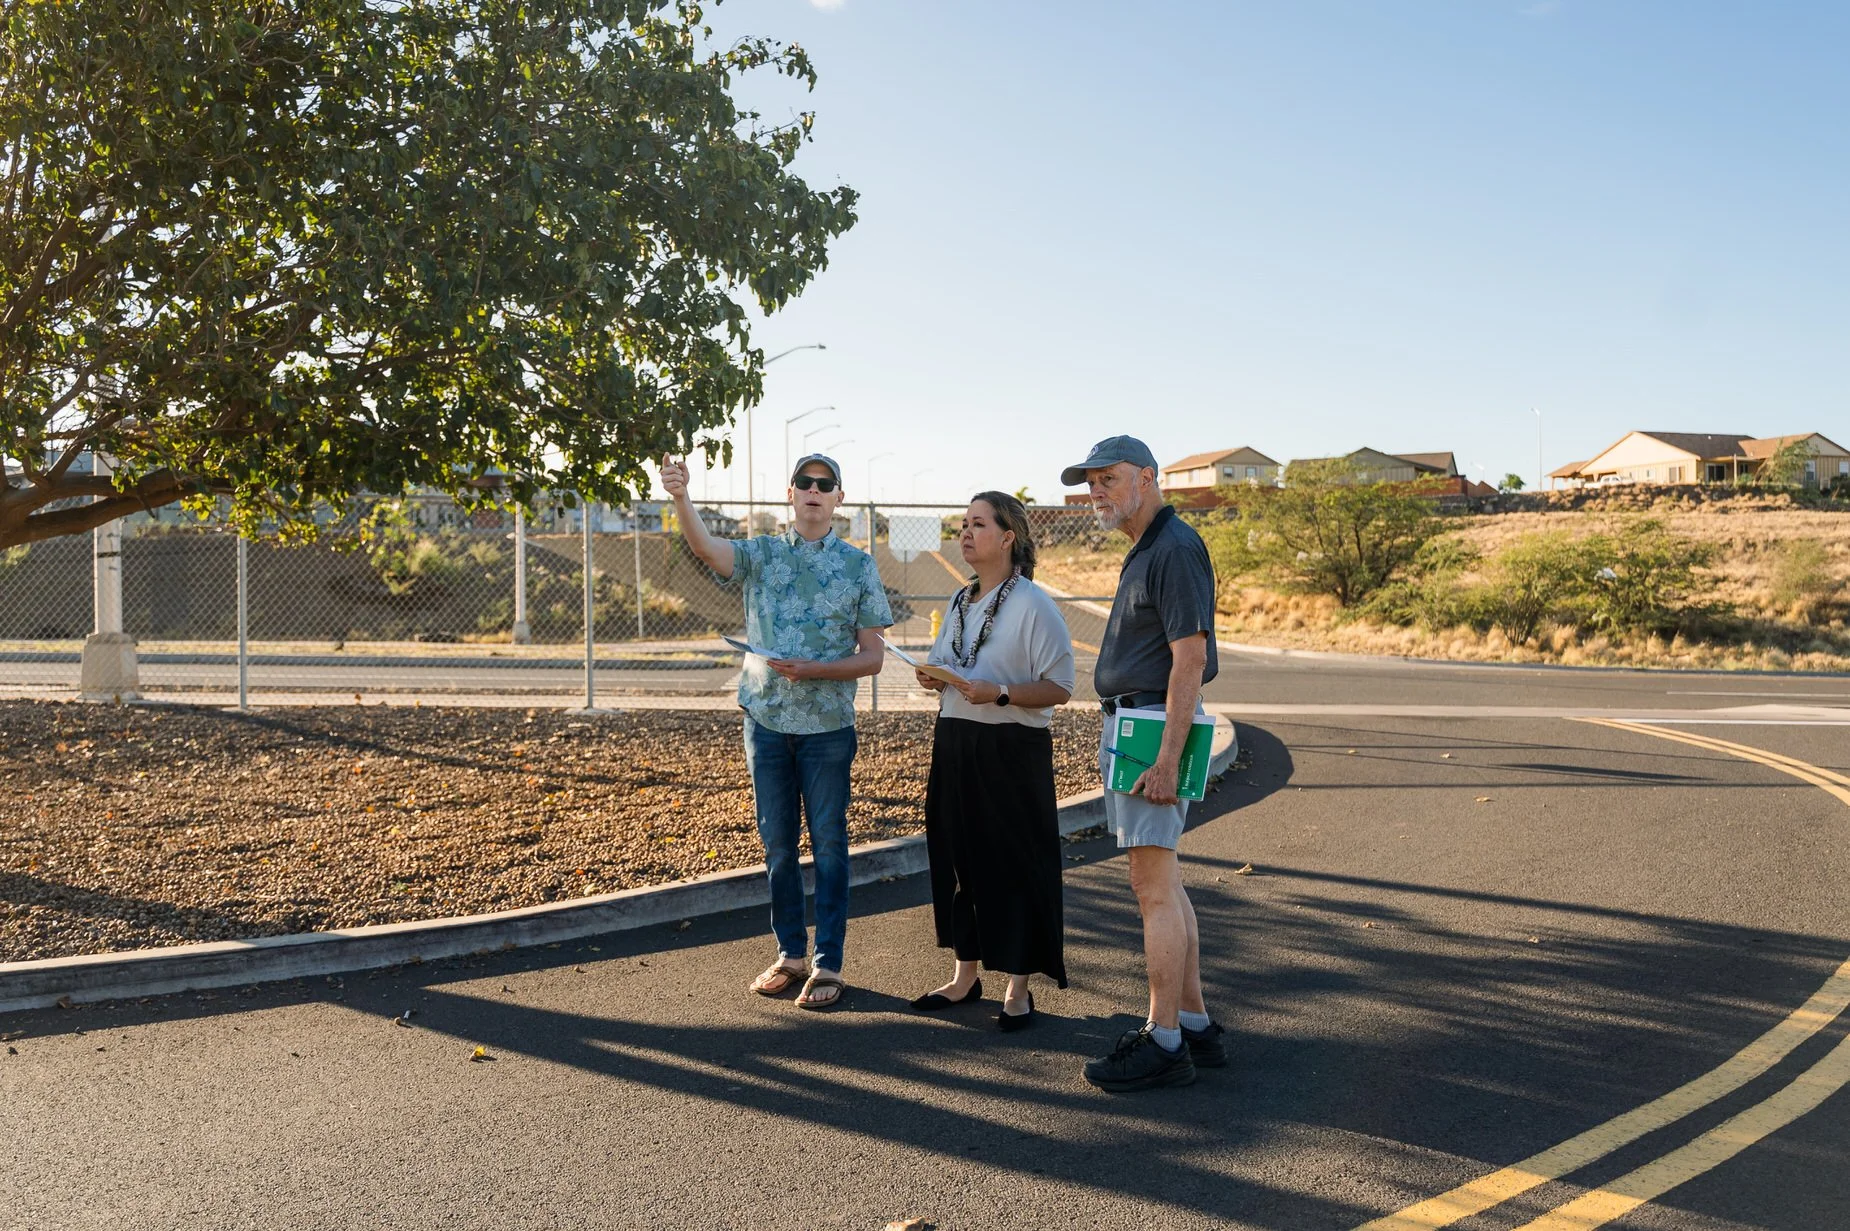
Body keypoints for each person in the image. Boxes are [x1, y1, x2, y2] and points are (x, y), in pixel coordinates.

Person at [660, 451, 892, 1010]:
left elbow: (873, 657)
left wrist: (814, 670)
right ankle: (790, 953)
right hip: (765, 722)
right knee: (778, 845)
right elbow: (706, 550)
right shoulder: (761, 554)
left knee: (830, 846)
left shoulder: (858, 566)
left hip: (827, 729)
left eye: (825, 484)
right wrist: (681, 497)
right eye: (804, 482)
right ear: (791, 494)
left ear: (838, 498)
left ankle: (827, 963)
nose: (814, 490)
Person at [1060, 435, 1228, 1091]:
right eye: (1090, 482)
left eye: (1108, 479)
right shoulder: (1151, 547)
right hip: (1140, 724)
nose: (1095, 491)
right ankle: (1194, 1022)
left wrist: (1164, 757)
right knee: (1167, 882)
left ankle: (1162, 1040)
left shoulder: (1175, 549)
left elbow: (1189, 658)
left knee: (1151, 888)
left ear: (1148, 478)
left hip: (1149, 730)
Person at [910, 492, 1075, 1032]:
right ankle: (965, 976)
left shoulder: (1033, 603)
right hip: (955, 741)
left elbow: (1061, 687)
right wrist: (933, 677)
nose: (965, 532)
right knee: (961, 860)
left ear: (1007, 538)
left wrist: (1001, 693)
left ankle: (1018, 989)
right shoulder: (961, 602)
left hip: (1010, 752)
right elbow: (950, 664)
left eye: (977, 524)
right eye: (962, 524)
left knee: (1012, 864)